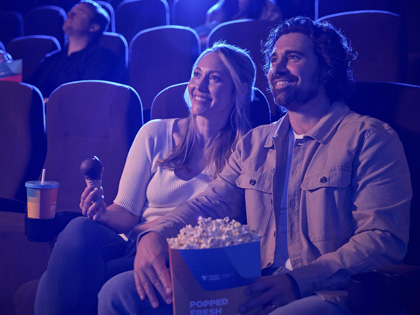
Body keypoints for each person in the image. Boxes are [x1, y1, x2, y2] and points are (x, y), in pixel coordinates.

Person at [98, 16, 412, 314]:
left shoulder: (370, 138)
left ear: (327, 67)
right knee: (120, 293)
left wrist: (296, 281)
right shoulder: (255, 143)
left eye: (293, 57)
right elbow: (211, 203)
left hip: (326, 292)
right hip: (252, 282)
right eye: (274, 60)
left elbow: (383, 239)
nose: (277, 68)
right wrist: (154, 235)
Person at [34, 42, 258, 315]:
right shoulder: (153, 133)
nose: (199, 86)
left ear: (239, 90)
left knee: (56, 280)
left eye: (214, 78)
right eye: (197, 74)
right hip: (134, 243)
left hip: (188, 256)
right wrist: (103, 213)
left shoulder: (247, 151)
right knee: (79, 229)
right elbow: (126, 213)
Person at [26, 0, 120, 100]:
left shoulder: (101, 58)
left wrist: (50, 102)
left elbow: (89, 97)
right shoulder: (51, 58)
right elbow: (25, 89)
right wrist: (7, 66)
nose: (70, 14)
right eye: (71, 11)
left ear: (93, 27)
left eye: (80, 13)